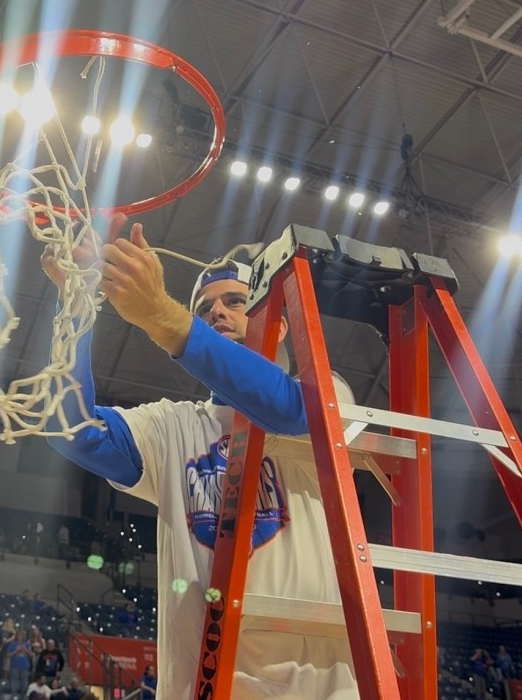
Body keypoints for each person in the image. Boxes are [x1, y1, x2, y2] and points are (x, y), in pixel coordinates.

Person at [43, 219, 362, 698]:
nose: (217, 312)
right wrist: (75, 304)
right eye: (204, 308)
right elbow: (71, 429)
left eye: (235, 301)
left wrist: (164, 317)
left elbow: (289, 412)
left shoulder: (329, 391)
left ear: (276, 324)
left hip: (317, 690)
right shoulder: (172, 425)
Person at [6, 630, 32, 695]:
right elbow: (8, 655)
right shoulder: (12, 644)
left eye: (21, 635)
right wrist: (16, 651)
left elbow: (31, 655)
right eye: (19, 635)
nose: (20, 637)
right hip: (15, 666)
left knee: (24, 682)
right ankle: (14, 695)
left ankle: (23, 695)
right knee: (14, 682)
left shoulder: (27, 644)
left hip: (25, 666)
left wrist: (25, 650)